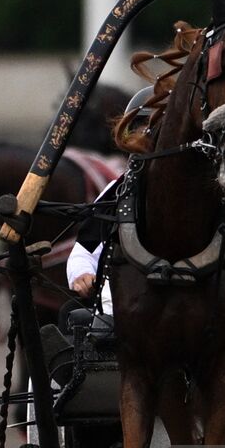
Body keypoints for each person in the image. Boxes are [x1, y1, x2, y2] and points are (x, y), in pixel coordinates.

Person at [66, 86, 154, 316]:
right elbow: (84, 250)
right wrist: (82, 273)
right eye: (144, 129)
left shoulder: (212, 191)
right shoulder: (119, 190)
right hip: (121, 318)